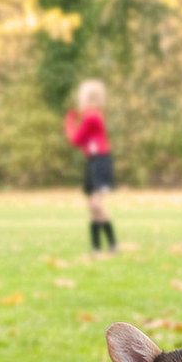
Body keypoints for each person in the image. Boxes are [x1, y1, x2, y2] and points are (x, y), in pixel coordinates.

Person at [65, 79, 116, 253]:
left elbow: (75, 140)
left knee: (96, 204)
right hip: (94, 160)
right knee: (92, 206)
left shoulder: (91, 116)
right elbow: (84, 141)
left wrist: (70, 121)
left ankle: (112, 244)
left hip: (100, 161)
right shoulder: (93, 115)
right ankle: (96, 247)